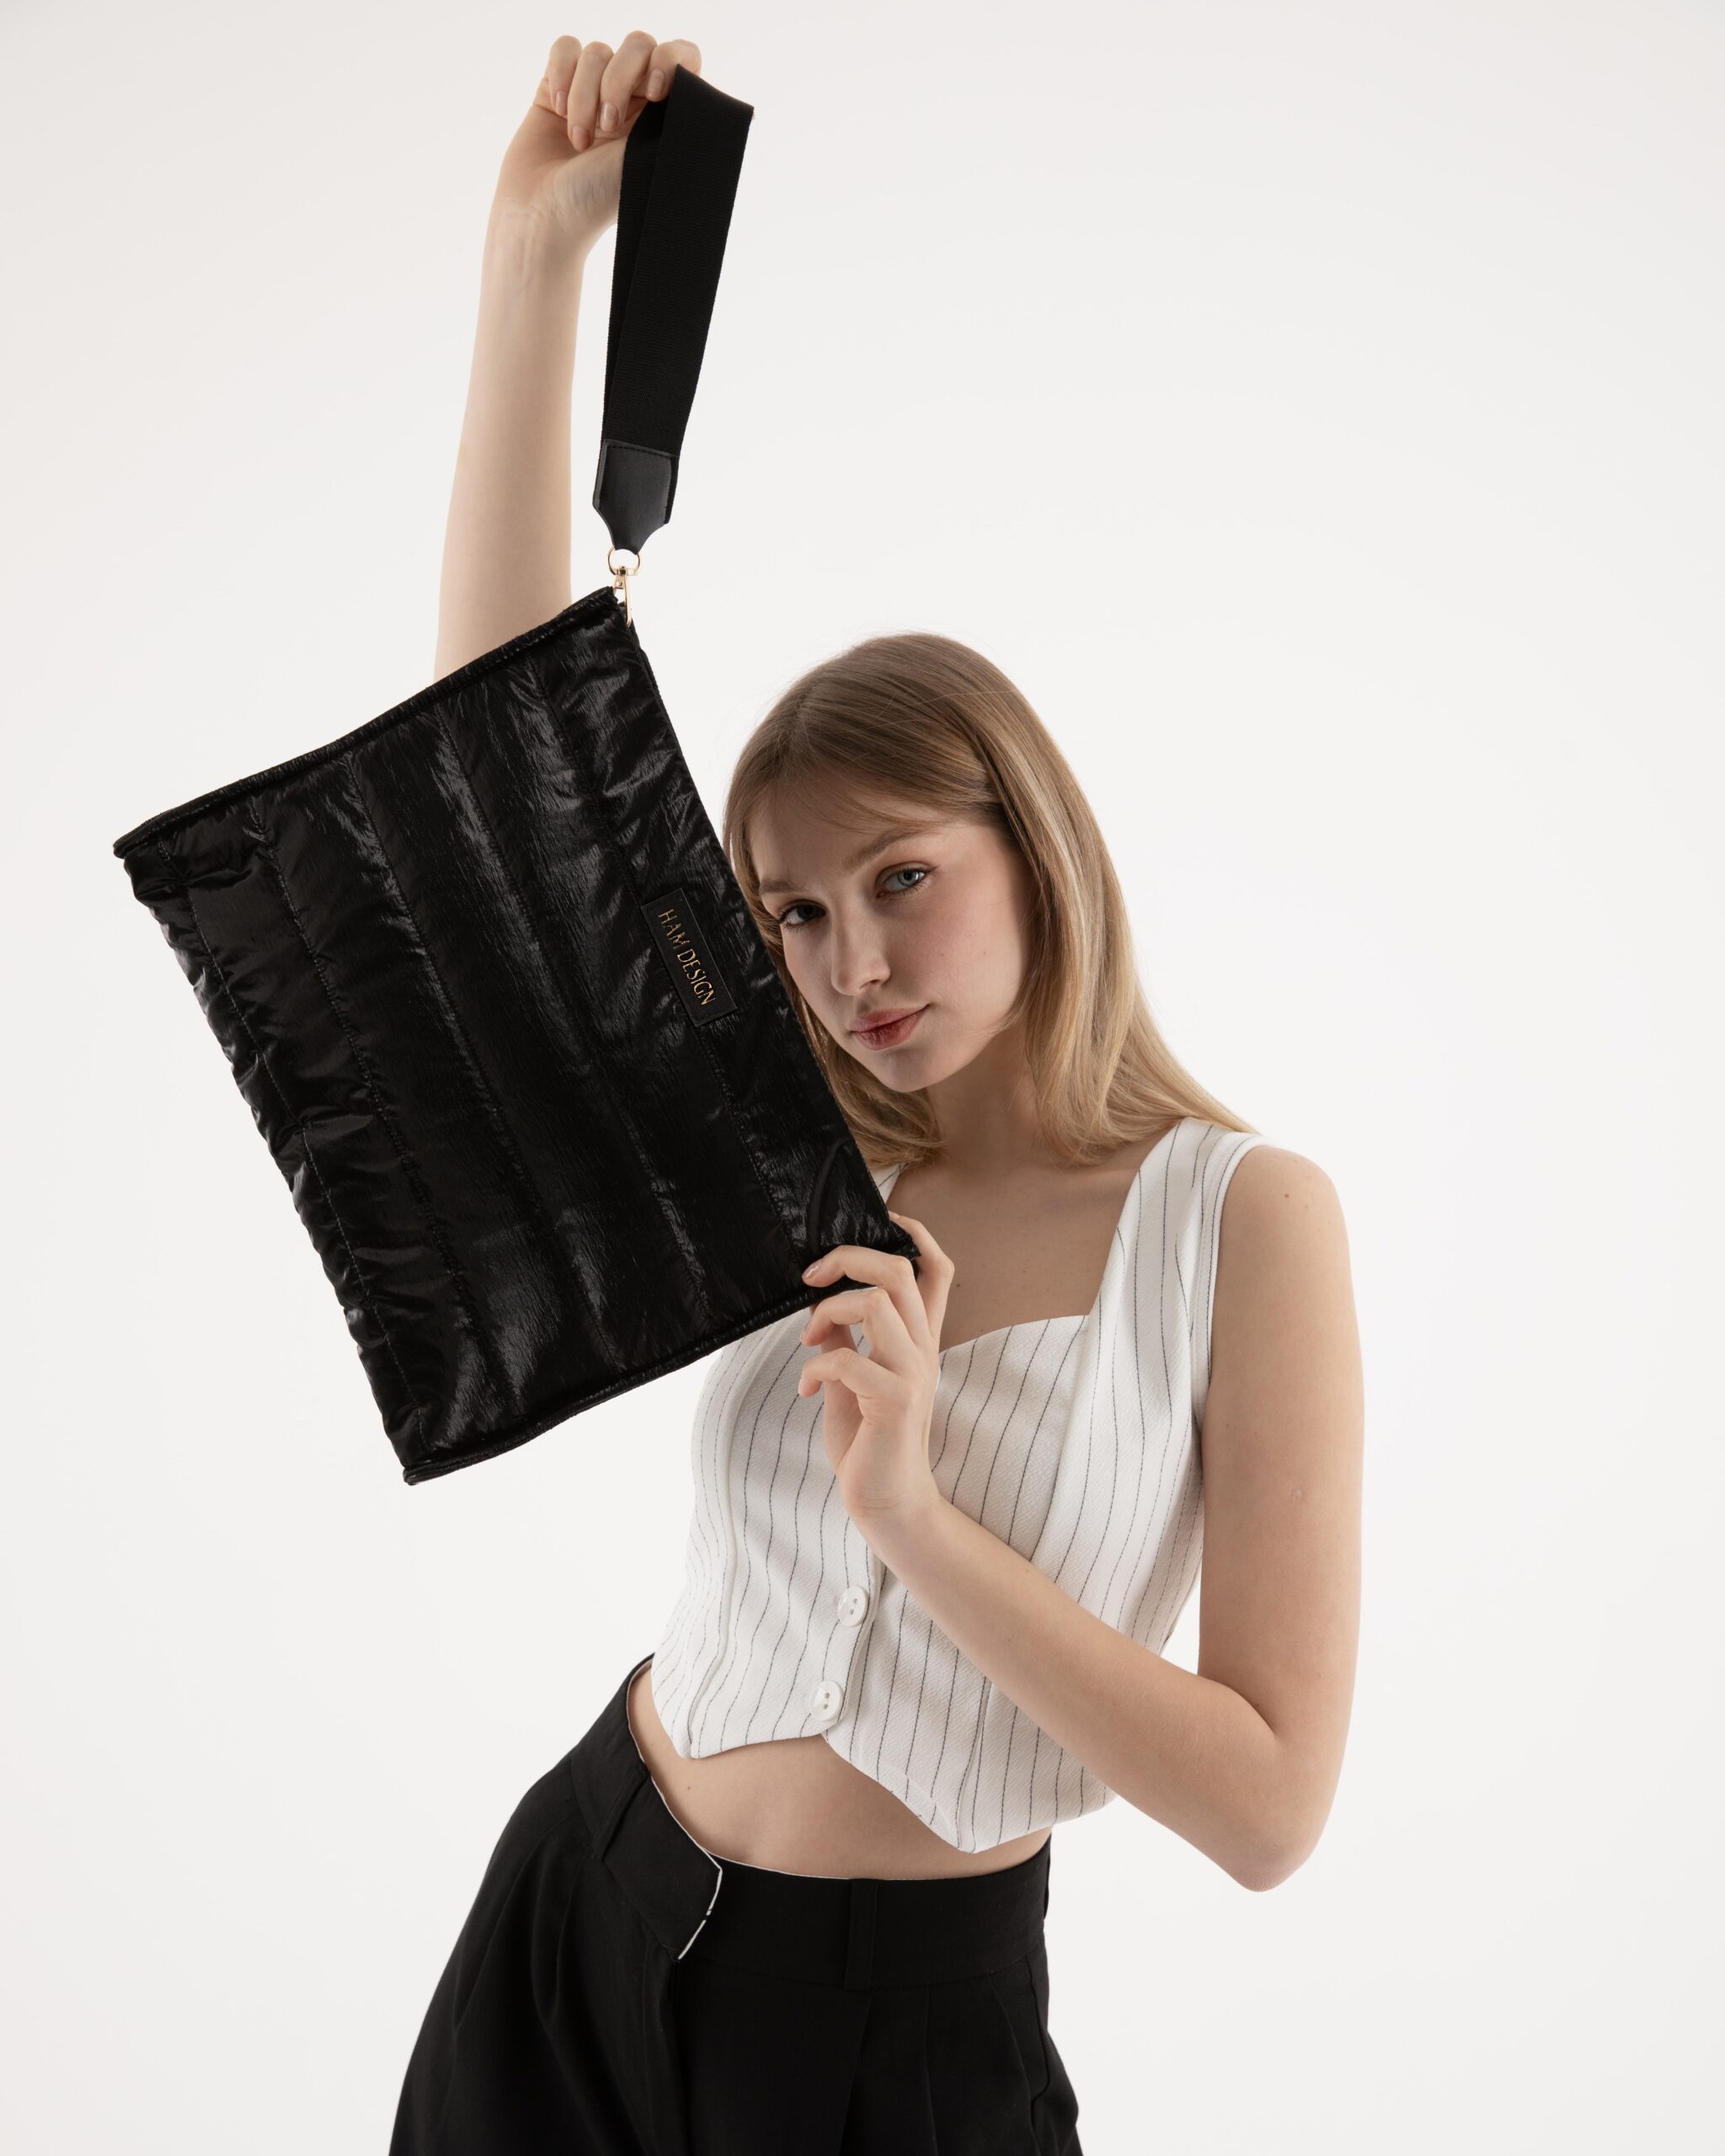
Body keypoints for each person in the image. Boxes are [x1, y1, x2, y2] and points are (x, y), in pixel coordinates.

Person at [391, 31, 1365, 2155]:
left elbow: (1269, 1803)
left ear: (1033, 844)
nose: (853, 967)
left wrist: (912, 1509)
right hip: (579, 1914)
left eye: (902, 879)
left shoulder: (1240, 1219)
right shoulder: (791, 1136)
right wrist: (538, 261)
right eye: (799, 913)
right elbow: (493, 787)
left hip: (896, 2047)